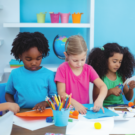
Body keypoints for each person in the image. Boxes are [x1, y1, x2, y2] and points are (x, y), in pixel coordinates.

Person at [5, 32, 57, 112]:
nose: (34, 63)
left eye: (38, 58)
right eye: (29, 59)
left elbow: (54, 98)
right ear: (20, 56)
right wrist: (12, 105)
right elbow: (8, 93)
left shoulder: (49, 74)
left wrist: (45, 103)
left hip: (43, 111)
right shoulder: (15, 73)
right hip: (21, 111)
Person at [55, 35, 107, 114]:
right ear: (66, 55)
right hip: (68, 111)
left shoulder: (88, 69)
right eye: (75, 60)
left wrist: (100, 100)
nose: (79, 64)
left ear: (86, 52)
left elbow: (103, 86)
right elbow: (61, 93)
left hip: (85, 111)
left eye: (83, 59)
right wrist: (76, 104)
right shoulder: (62, 69)